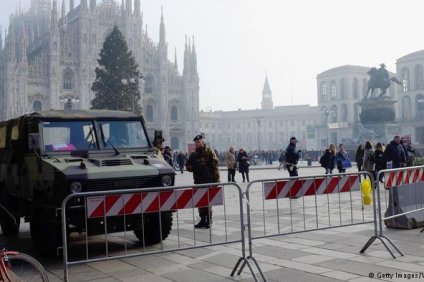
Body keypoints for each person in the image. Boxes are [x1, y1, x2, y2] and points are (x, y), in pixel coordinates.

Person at [185, 134, 220, 229]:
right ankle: (202, 219)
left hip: (208, 180)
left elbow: (215, 166)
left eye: (198, 142)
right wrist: (194, 168)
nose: (196, 144)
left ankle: (208, 219)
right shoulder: (193, 155)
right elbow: (187, 166)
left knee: (208, 201)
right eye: (195, 142)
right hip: (198, 181)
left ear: (202, 142)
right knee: (200, 202)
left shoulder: (209, 152)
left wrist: (216, 180)